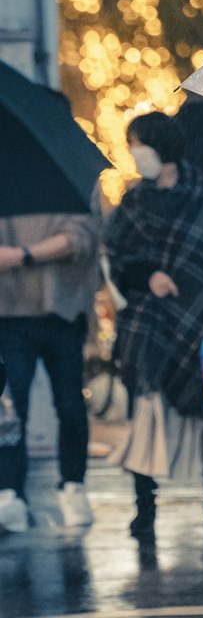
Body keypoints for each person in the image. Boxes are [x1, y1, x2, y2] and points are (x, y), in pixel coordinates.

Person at [104, 111, 203, 539]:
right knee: (148, 413)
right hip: (147, 325)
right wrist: (146, 277)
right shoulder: (133, 200)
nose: (136, 154)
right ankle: (145, 509)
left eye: (140, 144)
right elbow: (117, 260)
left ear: (162, 146)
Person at [0, 207, 100, 531]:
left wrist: (21, 255)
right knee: (12, 409)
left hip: (63, 312)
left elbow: (81, 239)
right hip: (8, 315)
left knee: (70, 405)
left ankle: (73, 486)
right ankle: (10, 493)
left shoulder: (65, 186)